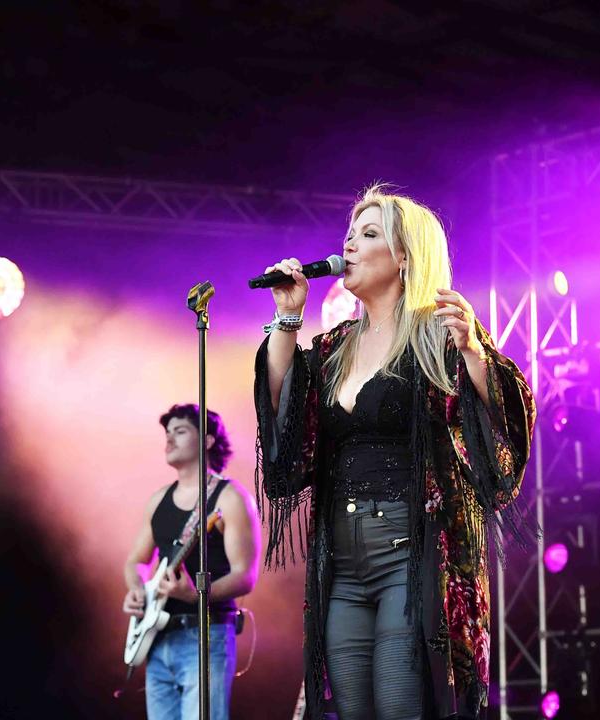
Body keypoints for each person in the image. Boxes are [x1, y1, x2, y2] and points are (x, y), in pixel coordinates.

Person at [254, 184, 535, 720]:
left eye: (369, 234)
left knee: (404, 699)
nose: (350, 246)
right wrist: (288, 319)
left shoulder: (435, 337)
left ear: (405, 256)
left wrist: (474, 353)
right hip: (341, 560)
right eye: (349, 235)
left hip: (410, 555)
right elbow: (285, 423)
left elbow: (503, 424)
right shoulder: (333, 348)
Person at [122, 404, 263, 720]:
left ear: (209, 440)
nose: (169, 440)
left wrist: (196, 594)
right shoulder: (158, 499)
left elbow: (246, 576)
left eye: (180, 431)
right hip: (158, 638)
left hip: (205, 635)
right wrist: (137, 591)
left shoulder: (230, 498)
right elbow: (135, 562)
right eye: (167, 433)